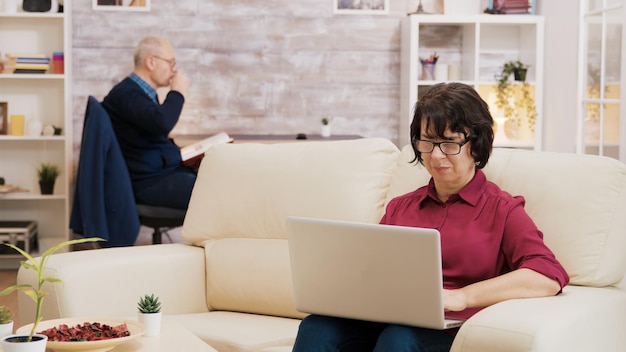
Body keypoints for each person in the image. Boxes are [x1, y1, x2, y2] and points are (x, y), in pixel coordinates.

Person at [291, 82, 570, 352]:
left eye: (449, 143)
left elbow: (548, 275)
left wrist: (462, 296)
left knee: (398, 339)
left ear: (477, 144)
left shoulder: (502, 209)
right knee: (317, 327)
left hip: (450, 329)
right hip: (390, 318)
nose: (436, 156)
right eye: (428, 142)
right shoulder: (401, 207)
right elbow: (373, 272)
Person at [102, 36, 194, 210]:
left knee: (216, 178)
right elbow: (162, 122)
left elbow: (156, 132)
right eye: (171, 63)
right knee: (217, 190)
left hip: (158, 174)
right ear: (151, 62)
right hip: (148, 183)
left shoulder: (138, 94)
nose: (174, 71)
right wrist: (178, 92)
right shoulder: (127, 94)